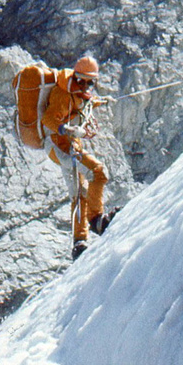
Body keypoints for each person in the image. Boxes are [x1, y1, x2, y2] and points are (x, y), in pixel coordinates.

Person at [41, 55, 118, 260]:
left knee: (79, 191)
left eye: (91, 82)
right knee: (98, 172)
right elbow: (48, 119)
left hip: (66, 146)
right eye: (84, 80)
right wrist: (66, 129)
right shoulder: (63, 94)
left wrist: (102, 102)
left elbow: (85, 102)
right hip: (61, 147)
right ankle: (96, 220)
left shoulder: (77, 92)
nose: (87, 85)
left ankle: (79, 242)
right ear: (77, 77)